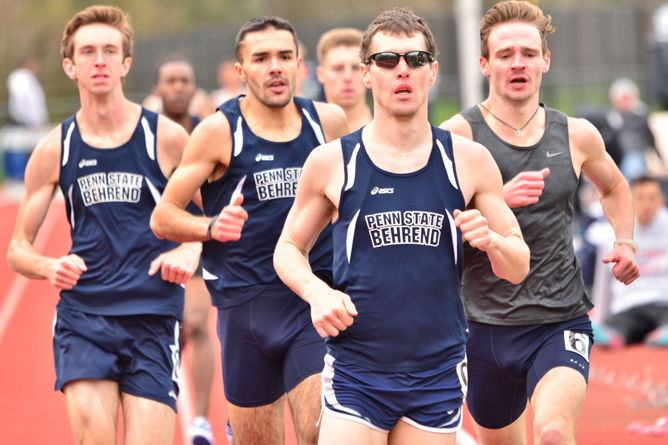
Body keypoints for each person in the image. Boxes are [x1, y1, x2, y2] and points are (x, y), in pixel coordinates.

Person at [274, 7, 530, 445]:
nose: (402, 71)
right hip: (357, 368)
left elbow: (517, 266)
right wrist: (317, 292)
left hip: (436, 371)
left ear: (433, 71)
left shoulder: (468, 160)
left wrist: (491, 243)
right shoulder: (334, 162)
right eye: (387, 61)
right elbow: (288, 248)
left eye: (414, 60)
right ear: (367, 73)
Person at [6, 5, 245, 444]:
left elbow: (218, 218)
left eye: (109, 50)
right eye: (88, 51)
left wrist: (190, 248)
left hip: (152, 317)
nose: (99, 60)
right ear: (70, 65)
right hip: (85, 317)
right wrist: (48, 267)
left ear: (125, 63)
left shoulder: (166, 138)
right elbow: (17, 248)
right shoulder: (54, 148)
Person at [439, 2, 640, 444]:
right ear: (484, 64)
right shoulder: (457, 136)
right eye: (505, 53)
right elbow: (429, 223)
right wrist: (497, 201)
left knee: (552, 432)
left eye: (528, 53)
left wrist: (625, 242)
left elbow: (614, 188)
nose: (518, 63)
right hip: (483, 326)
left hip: (559, 318)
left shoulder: (575, 133)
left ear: (545, 61)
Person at [150, 16, 349, 445]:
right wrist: (209, 227)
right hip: (244, 312)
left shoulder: (329, 125)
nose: (274, 67)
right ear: (241, 71)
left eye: (284, 56)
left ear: (300, 64)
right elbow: (163, 215)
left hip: (310, 301)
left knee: (322, 434)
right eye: (261, 58)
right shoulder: (219, 131)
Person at [154, 56, 217, 445]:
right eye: (170, 80)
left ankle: (201, 421)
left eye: (185, 80)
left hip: (199, 243)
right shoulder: (146, 134)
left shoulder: (208, 133)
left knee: (195, 323)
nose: (178, 87)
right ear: (158, 88)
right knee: (167, 332)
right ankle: (161, 403)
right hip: (154, 247)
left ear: (194, 88)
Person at [587, 175, 668, 348]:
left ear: (662, 200)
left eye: (652, 198)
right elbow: (603, 281)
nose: (647, 204)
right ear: (630, 200)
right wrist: (599, 316)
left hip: (663, 302)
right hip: (628, 305)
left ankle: (662, 332)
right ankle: (615, 334)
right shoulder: (614, 232)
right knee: (616, 325)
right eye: (640, 198)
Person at [316, 28, 372, 130]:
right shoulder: (303, 130)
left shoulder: (388, 126)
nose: (347, 77)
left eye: (356, 68)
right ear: (321, 74)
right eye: (338, 68)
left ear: (367, 72)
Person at [606, 77, 658, 180]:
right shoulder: (612, 117)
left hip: (635, 155)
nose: (625, 102)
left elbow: (648, 137)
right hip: (616, 157)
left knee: (633, 165)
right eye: (622, 99)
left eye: (627, 98)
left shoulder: (640, 115)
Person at [6, 57, 48, 127]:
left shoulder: (29, 79)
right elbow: (22, 101)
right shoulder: (21, 79)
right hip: (25, 124)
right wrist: (32, 121)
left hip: (29, 123)